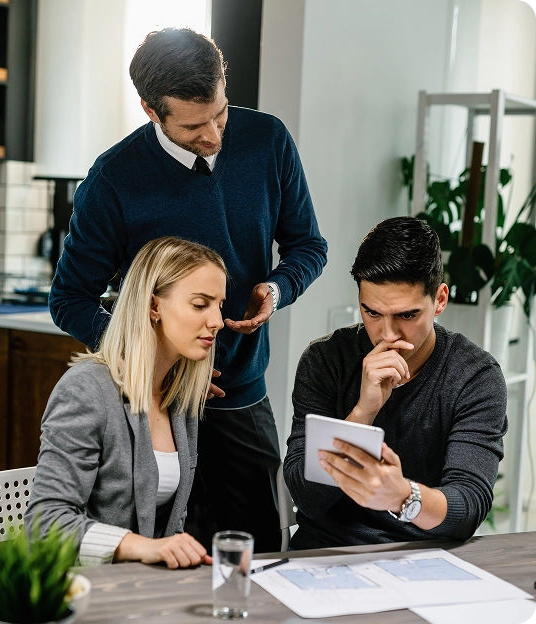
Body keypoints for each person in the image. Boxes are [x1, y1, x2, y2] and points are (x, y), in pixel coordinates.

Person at [48, 28, 327, 552]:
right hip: (157, 408)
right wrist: (154, 358)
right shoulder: (113, 180)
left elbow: (308, 246)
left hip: (242, 396)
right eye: (195, 125)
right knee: (166, 554)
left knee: (262, 554)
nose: (216, 134)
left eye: (220, 113)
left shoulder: (268, 139)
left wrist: (277, 287)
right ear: (152, 111)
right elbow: (68, 301)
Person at [283, 216, 508, 549]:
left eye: (407, 315)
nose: (387, 335)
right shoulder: (326, 360)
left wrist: (404, 496)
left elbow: (468, 508)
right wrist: (363, 413)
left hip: (426, 557)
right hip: (326, 551)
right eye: (372, 313)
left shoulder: (475, 376)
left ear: (440, 300)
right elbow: (307, 496)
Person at [26, 236, 226, 567]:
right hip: (84, 589)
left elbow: (170, 527)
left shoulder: (179, 396)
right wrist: (143, 547)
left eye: (220, 305)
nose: (217, 320)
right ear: (153, 306)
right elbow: (45, 525)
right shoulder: (86, 391)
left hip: (143, 591)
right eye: (201, 304)